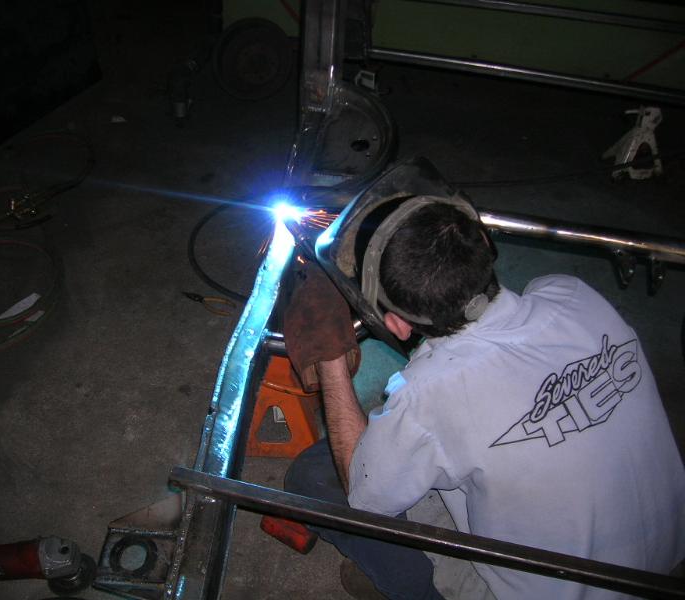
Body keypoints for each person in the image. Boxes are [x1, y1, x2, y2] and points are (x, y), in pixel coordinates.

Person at [283, 199, 685, 600]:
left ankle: (414, 586)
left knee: (316, 475)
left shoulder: (427, 395)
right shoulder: (572, 294)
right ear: (483, 246)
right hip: (665, 563)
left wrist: (330, 358)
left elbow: (365, 497)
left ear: (398, 325)